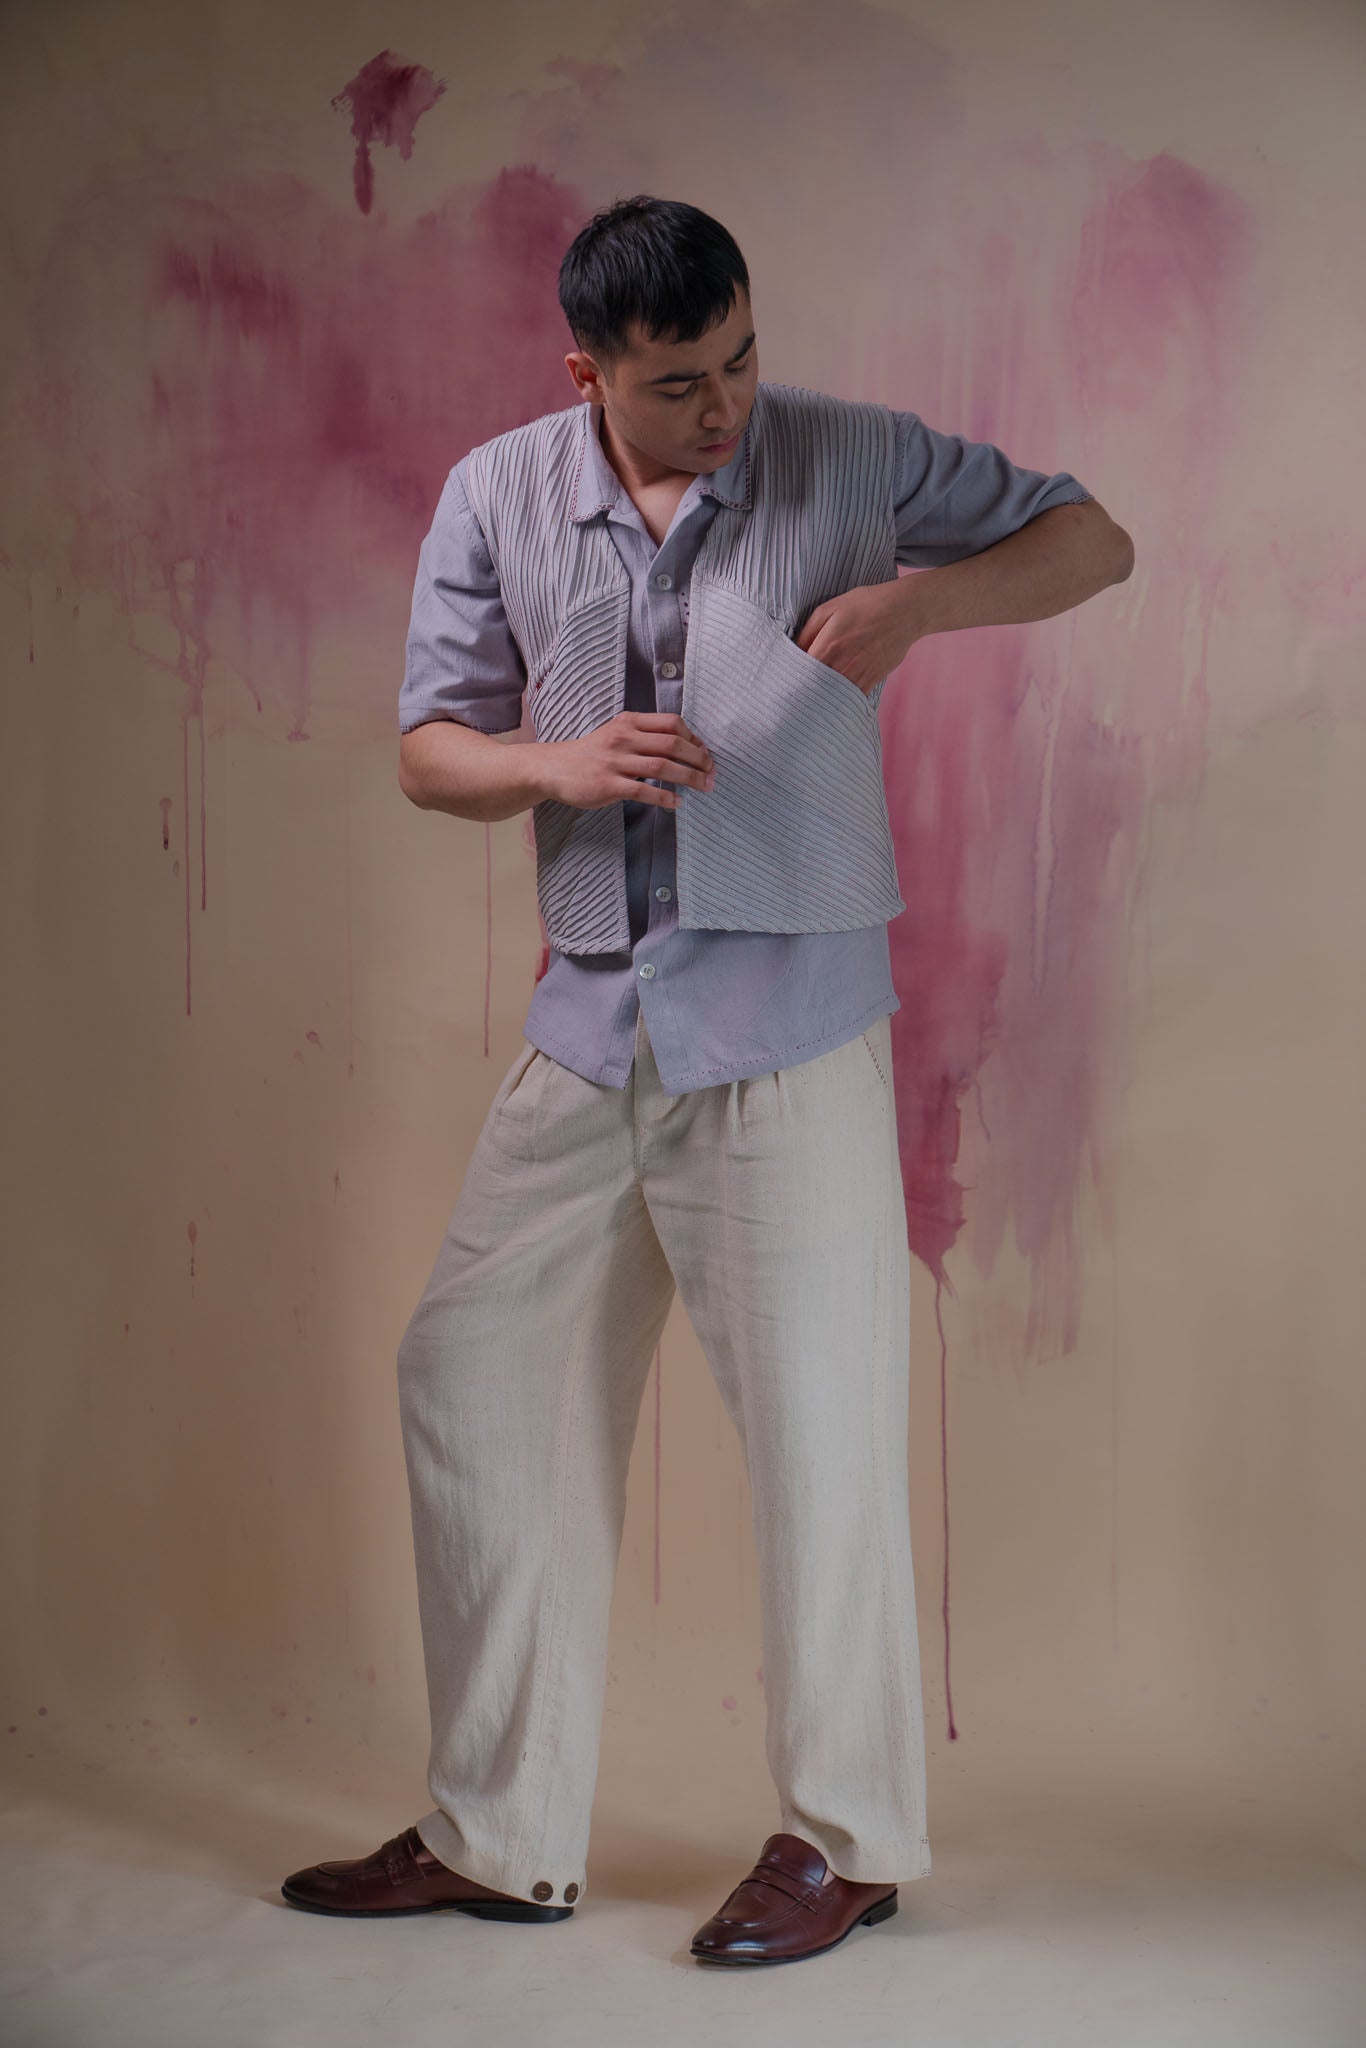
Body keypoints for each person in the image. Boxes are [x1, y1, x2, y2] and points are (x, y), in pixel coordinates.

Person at [281, 194, 1132, 1965]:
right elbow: (429, 751)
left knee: (822, 1440)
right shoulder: (496, 493)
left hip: (790, 1037)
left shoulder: (851, 456)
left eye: (741, 359)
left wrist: (921, 605)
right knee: (472, 1380)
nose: (725, 405)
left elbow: (1092, 540)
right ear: (585, 374)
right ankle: (496, 1831)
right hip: (592, 1028)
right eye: (678, 384)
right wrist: (556, 762)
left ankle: (846, 1843)